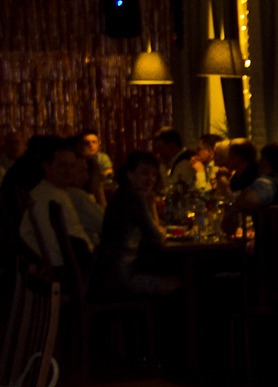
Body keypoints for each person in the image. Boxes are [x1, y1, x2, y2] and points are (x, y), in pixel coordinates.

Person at [91, 150, 183, 301]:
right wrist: (151, 207)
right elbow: (157, 237)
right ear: (130, 174)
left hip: (108, 273)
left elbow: (154, 232)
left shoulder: (124, 194)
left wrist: (151, 203)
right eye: (145, 173)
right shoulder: (132, 197)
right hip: (120, 277)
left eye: (154, 174)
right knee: (184, 281)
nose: (150, 179)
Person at [20, 140, 95, 269]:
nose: (68, 171)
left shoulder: (50, 192)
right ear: (47, 166)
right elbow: (56, 249)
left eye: (72, 166)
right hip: (73, 269)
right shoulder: (50, 198)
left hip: (74, 266)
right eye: (62, 165)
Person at [222, 141, 278, 233]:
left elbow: (249, 199)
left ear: (265, 162)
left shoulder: (266, 183)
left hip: (270, 241)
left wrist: (234, 205)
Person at [153, 127, 201, 193]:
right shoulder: (175, 162)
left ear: (172, 145)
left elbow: (171, 190)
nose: (159, 153)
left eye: (161, 148)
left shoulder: (184, 164)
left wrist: (162, 166)